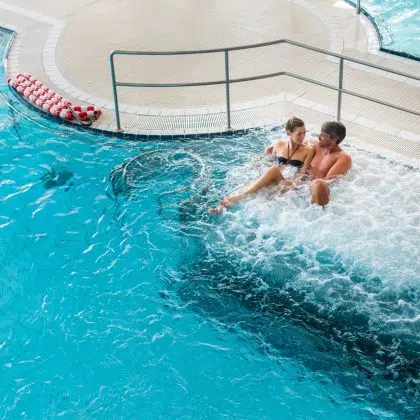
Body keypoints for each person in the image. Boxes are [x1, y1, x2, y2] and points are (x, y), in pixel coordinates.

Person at [209, 120, 351, 213]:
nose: (318, 137)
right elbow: (296, 140)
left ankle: (312, 214)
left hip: (309, 190)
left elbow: (332, 181)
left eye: (322, 136)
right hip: (298, 183)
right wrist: (273, 149)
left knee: (318, 183)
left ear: (334, 139)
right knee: (272, 173)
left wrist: (302, 183)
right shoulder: (315, 144)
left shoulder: (343, 158)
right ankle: (234, 199)